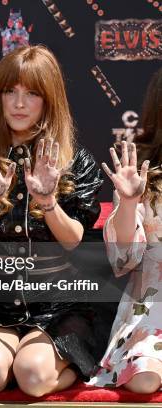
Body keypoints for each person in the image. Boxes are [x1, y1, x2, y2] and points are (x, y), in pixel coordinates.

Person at [0, 45, 104, 396]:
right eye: (10, 92)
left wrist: (47, 201)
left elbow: (73, 238)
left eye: (31, 93)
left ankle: (63, 369)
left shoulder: (76, 162)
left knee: (31, 375)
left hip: (58, 307)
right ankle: (15, 364)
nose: (18, 103)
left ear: (49, 100)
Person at [89, 67, 162, 394]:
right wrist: (130, 203)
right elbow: (123, 261)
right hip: (152, 315)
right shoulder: (143, 172)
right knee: (145, 376)